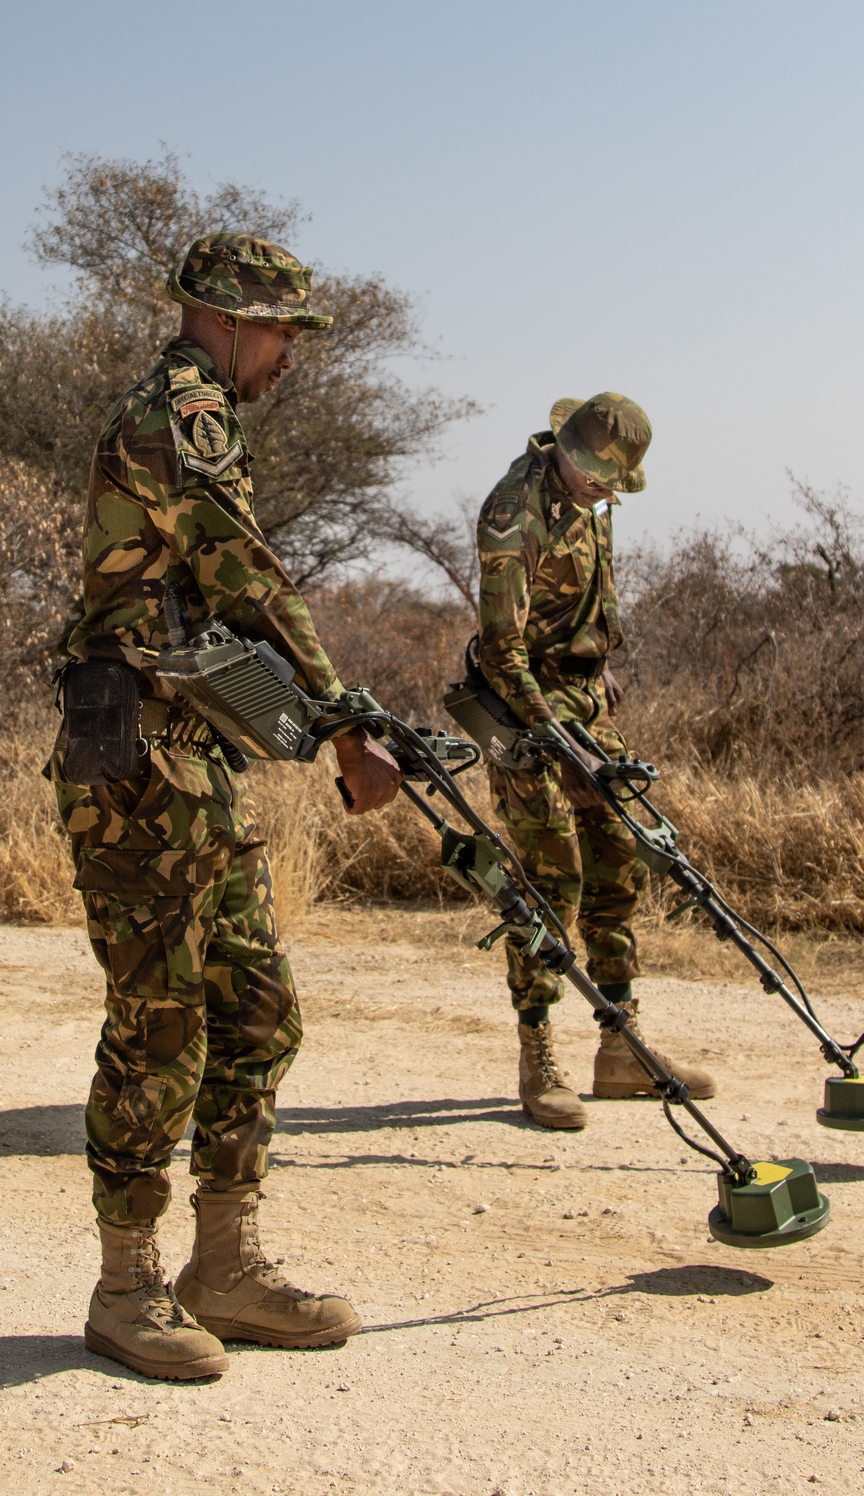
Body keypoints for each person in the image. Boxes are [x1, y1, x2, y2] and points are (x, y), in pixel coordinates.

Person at [49, 234, 402, 1381]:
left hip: (191, 756)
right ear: (231, 318)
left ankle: (224, 1267)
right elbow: (251, 575)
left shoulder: (209, 417)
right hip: (137, 762)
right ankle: (125, 1289)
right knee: (161, 1029)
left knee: (255, 1011)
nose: (293, 355)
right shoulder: (181, 414)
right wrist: (347, 720)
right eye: (286, 331)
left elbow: (225, 599)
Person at [476, 393, 716, 1129]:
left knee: (619, 856)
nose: (606, 492)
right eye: (597, 479)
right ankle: (537, 1052)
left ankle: (621, 1046)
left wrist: (596, 664)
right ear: (566, 454)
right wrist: (552, 726)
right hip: (521, 709)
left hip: (581, 701)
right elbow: (501, 648)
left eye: (616, 483)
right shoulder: (514, 510)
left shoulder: (590, 501)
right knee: (551, 881)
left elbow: (580, 603)